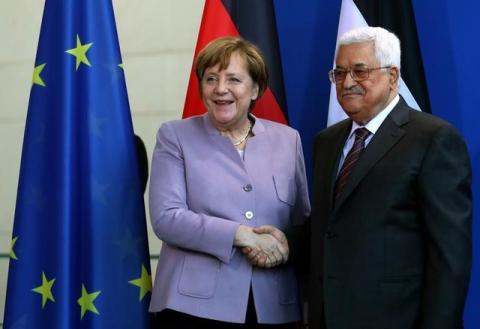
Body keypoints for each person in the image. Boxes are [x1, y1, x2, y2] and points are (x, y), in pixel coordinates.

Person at [308, 27, 472, 329]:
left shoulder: (433, 139)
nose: (347, 83)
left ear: (393, 76)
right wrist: (276, 240)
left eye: (360, 72)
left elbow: (449, 257)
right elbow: (329, 227)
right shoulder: (326, 142)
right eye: (339, 73)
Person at [148, 36, 310, 328]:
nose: (220, 89)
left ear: (255, 88)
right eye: (211, 79)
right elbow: (166, 218)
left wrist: (285, 246)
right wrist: (241, 234)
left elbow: (302, 222)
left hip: (274, 307)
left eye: (233, 79)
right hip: (193, 308)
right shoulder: (175, 136)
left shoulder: (288, 140)